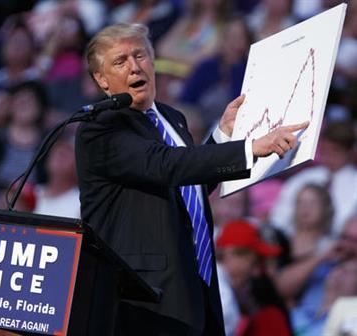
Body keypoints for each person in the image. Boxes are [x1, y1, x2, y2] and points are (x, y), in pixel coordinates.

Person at [76, 23, 308, 335]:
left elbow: (187, 188)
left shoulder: (173, 118)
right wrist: (249, 149)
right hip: (141, 300)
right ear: (101, 79)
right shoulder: (101, 128)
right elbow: (163, 165)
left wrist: (223, 135)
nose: (134, 66)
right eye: (120, 61)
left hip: (195, 286)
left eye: (140, 55)